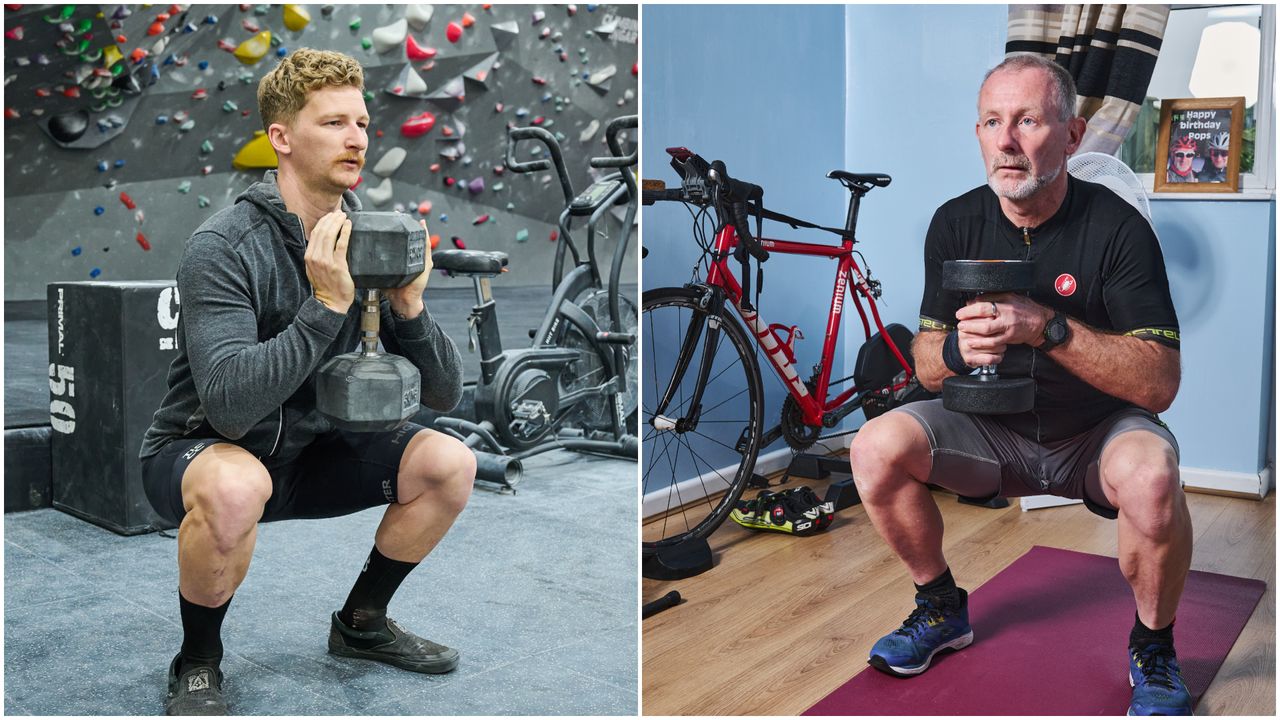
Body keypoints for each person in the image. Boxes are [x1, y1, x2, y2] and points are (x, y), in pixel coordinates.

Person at [848, 53, 1190, 716]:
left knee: (1153, 477)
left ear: (1071, 134)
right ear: (977, 133)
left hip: (1095, 436)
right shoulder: (955, 223)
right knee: (873, 445)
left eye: (1028, 121)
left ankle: (1154, 648)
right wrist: (951, 346)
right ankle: (942, 608)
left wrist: (1048, 328)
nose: (1006, 141)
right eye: (992, 122)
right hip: (989, 434)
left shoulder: (1119, 231)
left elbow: (1160, 382)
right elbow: (922, 364)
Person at [139, 48, 475, 715]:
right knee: (238, 487)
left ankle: (363, 623)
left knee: (450, 463)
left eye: (361, 123)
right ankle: (199, 658)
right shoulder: (225, 245)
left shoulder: (374, 237)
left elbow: (445, 396)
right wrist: (324, 308)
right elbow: (231, 407)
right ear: (282, 138)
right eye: (333, 123)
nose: (355, 138)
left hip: (316, 452)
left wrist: (409, 308)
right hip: (206, 452)